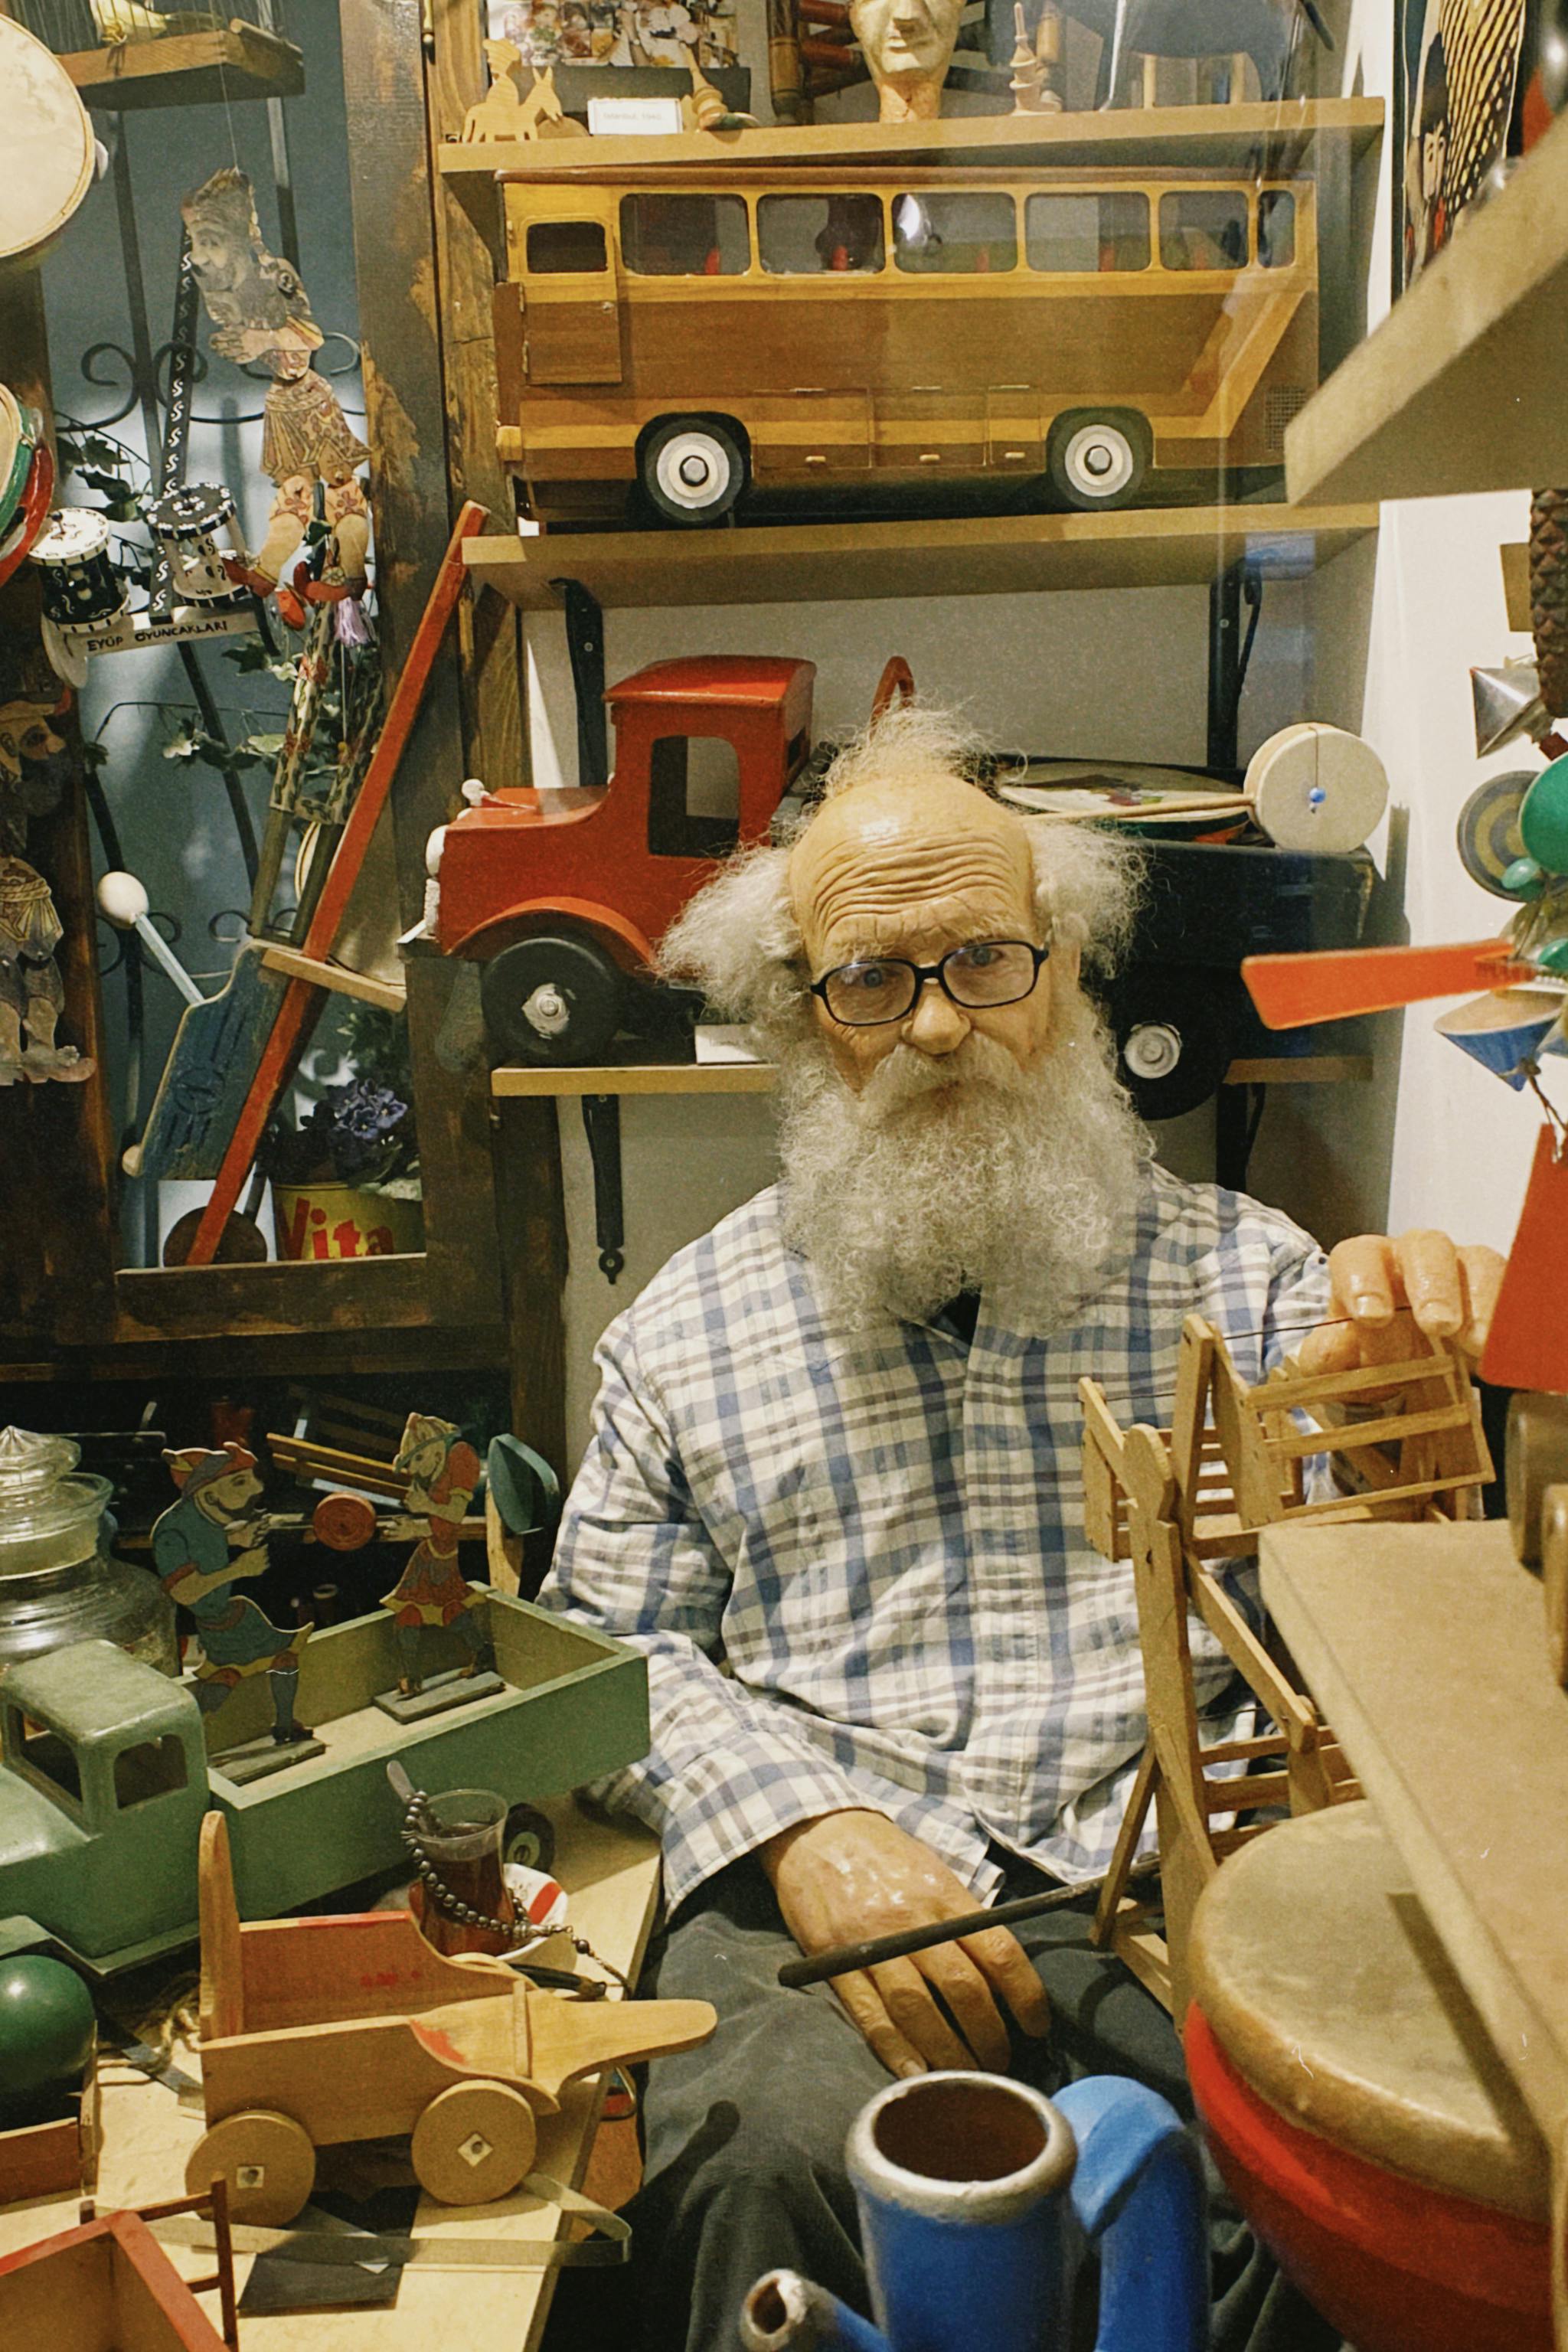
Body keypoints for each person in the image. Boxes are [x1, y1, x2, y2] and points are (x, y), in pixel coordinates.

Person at [537, 706, 1501, 2352]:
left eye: (984, 960)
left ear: (1066, 980)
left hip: (1177, 1874)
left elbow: (1379, 1549)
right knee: (756, 2173)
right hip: (813, 1915)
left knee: (1316, 2178)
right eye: (868, 980)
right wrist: (800, 1829)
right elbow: (601, 1656)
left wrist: (1425, 1375)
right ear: (799, 1022)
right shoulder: (679, 1339)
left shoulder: (1245, 1280)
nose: (934, 1026)